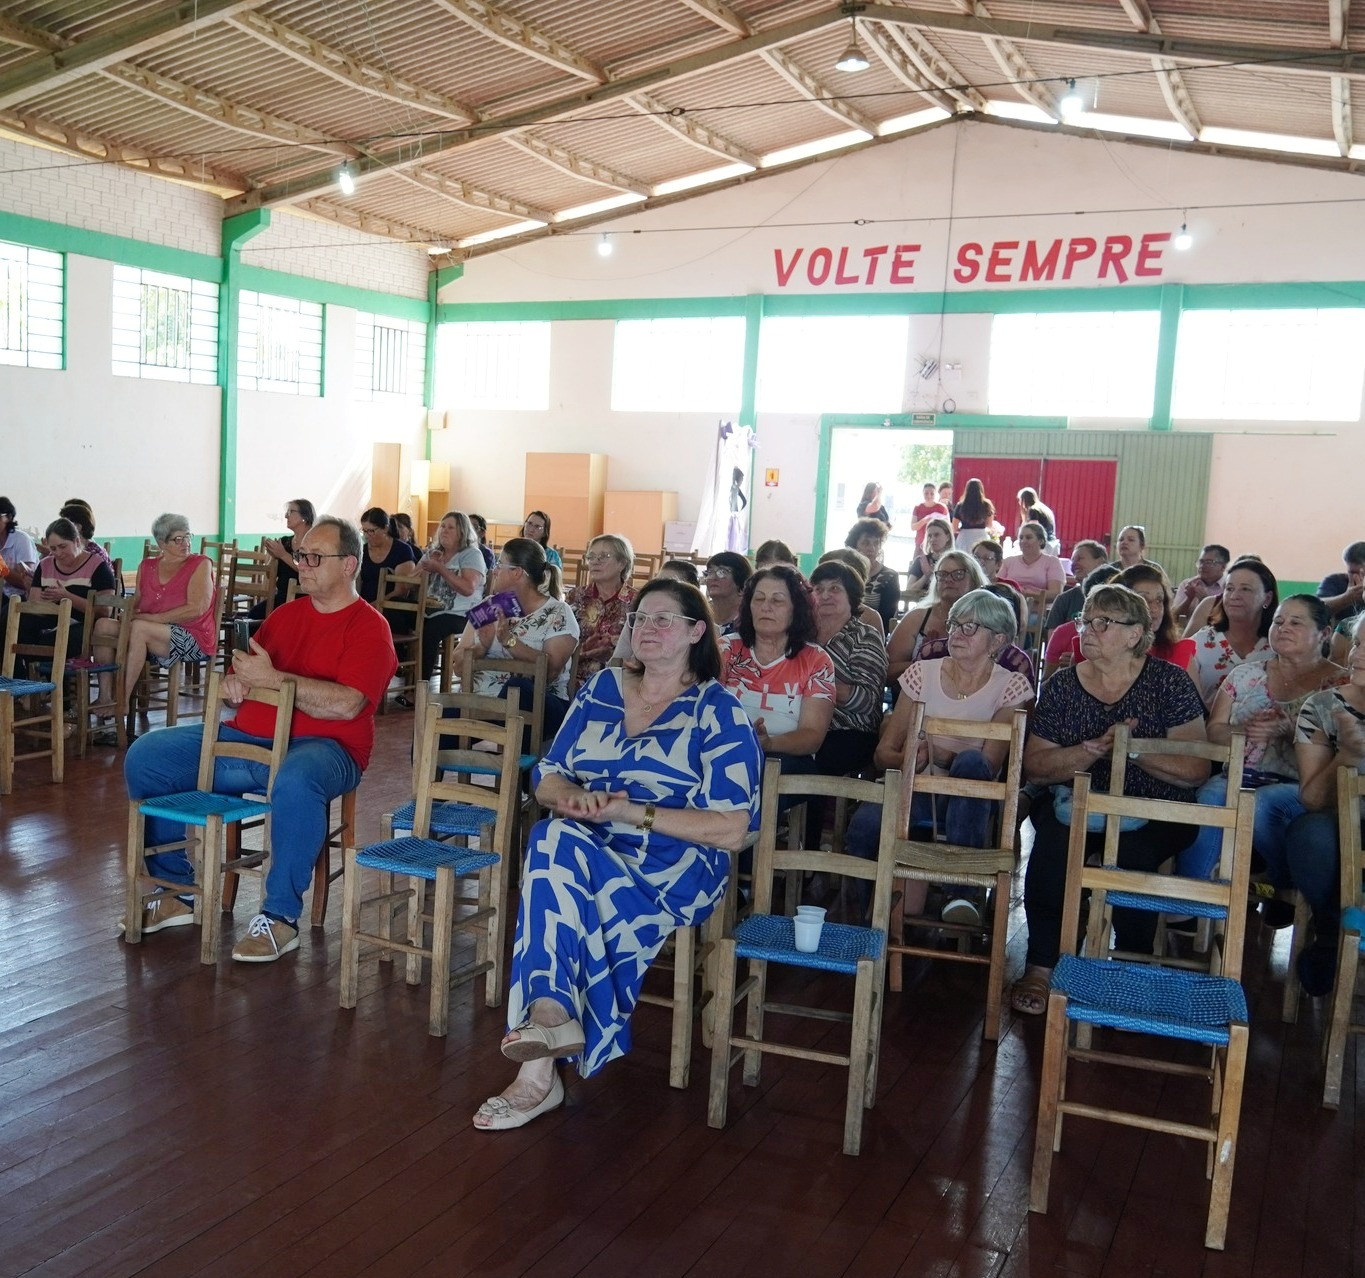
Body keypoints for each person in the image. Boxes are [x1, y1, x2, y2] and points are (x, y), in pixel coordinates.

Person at [472, 579, 761, 1130]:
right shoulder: (604, 687)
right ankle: (549, 1029)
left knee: (556, 862)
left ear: (696, 631)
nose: (645, 629)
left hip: (675, 862)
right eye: (638, 619)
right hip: (590, 844)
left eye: (662, 620)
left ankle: (540, 1063)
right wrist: (575, 800)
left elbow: (731, 829)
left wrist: (633, 814)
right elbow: (548, 778)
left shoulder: (718, 710)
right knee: (556, 840)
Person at [122, 516, 397, 961]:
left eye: (313, 557)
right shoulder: (285, 616)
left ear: (348, 565)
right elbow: (244, 675)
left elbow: (347, 704)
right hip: (246, 739)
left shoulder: (369, 628)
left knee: (295, 778)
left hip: (325, 749)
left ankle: (279, 917)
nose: (301, 563)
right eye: (300, 553)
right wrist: (236, 684)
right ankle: (176, 891)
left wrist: (275, 679)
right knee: (147, 756)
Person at [1013, 584, 1210, 1015]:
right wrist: (1087, 752)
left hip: (1155, 810)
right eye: (1087, 620)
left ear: (1135, 634)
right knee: (1053, 847)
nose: (1089, 629)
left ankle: (1130, 966)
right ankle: (1042, 966)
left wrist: (1132, 749)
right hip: (1076, 803)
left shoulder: (1169, 682)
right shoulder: (1064, 684)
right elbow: (1036, 766)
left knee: (1131, 856)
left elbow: (1196, 768)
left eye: (1104, 622)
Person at [847, 590, 1033, 924]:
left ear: (998, 639)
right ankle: (867, 917)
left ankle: (960, 893)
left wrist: (941, 754)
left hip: (969, 800)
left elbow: (989, 765)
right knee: (865, 825)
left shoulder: (1011, 686)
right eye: (955, 624)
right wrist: (908, 758)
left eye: (970, 627)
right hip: (915, 790)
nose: (957, 634)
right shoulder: (923, 674)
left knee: (971, 763)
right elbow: (883, 754)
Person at [1181, 595, 1344, 899]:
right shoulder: (1246, 675)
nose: (1283, 628)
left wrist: (1290, 729)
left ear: (1323, 633)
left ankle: (1285, 881)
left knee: (1262, 803)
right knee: (1210, 795)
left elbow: (1346, 746)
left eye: (1296, 622)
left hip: (1305, 785)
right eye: (1279, 621)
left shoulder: (1340, 683)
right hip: (1243, 775)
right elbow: (1214, 729)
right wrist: (1242, 731)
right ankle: (1190, 900)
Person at [1284, 611, 1365, 996]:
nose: (1358, 655)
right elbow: (1313, 799)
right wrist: (1346, 757)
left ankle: (1342, 933)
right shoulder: (1320, 707)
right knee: (1309, 834)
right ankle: (1334, 928)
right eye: (1359, 644)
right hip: (1341, 825)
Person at [97, 513, 216, 729]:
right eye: (178, 539)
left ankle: (121, 701)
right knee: (104, 625)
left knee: (140, 628)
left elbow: (197, 608)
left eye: (188, 537)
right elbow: (140, 601)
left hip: (191, 635)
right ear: (161, 542)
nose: (186, 543)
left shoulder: (200, 563)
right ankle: (105, 695)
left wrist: (152, 619)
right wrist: (128, 612)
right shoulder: (147, 565)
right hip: (152, 632)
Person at [456, 536, 579, 738]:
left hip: (542, 704)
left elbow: (551, 671)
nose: (494, 570)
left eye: (499, 564)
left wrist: (509, 641)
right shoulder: (488, 607)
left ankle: (512, 766)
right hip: (483, 703)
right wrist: (481, 648)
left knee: (518, 689)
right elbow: (458, 668)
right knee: (436, 716)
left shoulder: (558, 613)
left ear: (517, 572)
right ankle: (427, 769)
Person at [721, 564, 835, 771]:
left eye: (777, 600)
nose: (766, 607)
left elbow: (812, 736)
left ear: (796, 609)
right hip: (723, 748)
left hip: (784, 757)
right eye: (759, 599)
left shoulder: (816, 660)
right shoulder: (726, 648)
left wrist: (769, 743)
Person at [809, 561, 886, 778]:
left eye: (834, 589)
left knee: (819, 754)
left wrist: (815, 686)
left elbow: (867, 702)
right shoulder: (801, 636)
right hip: (803, 724)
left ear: (851, 596)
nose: (825, 596)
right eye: (818, 589)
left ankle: (823, 810)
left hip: (850, 730)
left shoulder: (865, 636)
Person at [1183, 556, 1277, 707]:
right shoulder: (1200, 644)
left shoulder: (1278, 646)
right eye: (1229, 588)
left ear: (1267, 598)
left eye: (1245, 589)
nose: (1234, 596)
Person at [888, 550, 988, 684]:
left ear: (974, 580)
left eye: (958, 574)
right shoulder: (917, 617)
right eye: (942, 574)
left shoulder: (988, 620)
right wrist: (922, 662)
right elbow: (887, 672)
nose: (948, 579)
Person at [26, 517, 116, 656]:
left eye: (63, 547)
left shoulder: (97, 566)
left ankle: (50, 674)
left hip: (84, 625)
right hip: (50, 622)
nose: (58, 553)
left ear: (77, 541)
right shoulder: (45, 565)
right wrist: (46, 601)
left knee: (52, 641)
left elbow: (104, 611)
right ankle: (16, 674)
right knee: (14, 623)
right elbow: (34, 604)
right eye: (53, 549)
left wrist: (67, 596)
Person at [416, 510, 486, 682]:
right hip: (429, 610)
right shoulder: (434, 552)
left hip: (462, 614)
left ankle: (421, 686)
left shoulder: (471, 554)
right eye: (442, 526)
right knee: (392, 616)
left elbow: (468, 588)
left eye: (450, 528)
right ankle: (400, 673)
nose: (444, 531)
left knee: (432, 628)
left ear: (462, 532)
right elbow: (408, 583)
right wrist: (424, 567)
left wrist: (440, 569)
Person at [567, 533, 637, 691]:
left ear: (622, 563)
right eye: (591, 556)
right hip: (574, 680)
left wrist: (612, 650)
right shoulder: (576, 597)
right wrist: (583, 650)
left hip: (620, 683)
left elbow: (641, 647)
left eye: (604, 556)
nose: (595, 561)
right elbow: (560, 640)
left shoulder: (637, 601)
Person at [357, 506, 418, 629]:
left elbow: (401, 591)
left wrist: (373, 606)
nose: (367, 535)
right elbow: (357, 582)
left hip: (392, 607)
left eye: (372, 531)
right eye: (364, 531)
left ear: (385, 528)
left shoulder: (402, 550)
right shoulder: (362, 551)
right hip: (366, 604)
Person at [258, 498, 314, 615]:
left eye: (290, 512)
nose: (285, 516)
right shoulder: (284, 542)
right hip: (281, 597)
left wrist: (283, 554)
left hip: (305, 598)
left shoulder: (314, 543)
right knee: (252, 617)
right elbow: (270, 575)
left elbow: (306, 568)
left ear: (305, 516)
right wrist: (273, 556)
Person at [845, 517, 901, 632]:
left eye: (876, 543)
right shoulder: (845, 573)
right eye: (866, 543)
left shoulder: (889, 577)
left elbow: (886, 618)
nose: (872, 548)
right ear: (854, 545)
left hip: (872, 634)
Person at [1001, 520, 1066, 618]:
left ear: (1041, 541)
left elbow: (1056, 593)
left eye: (1028, 537)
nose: (1023, 541)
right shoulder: (1008, 561)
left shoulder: (1052, 562)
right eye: (1021, 538)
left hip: (1037, 613)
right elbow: (998, 587)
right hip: (1007, 609)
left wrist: (1027, 594)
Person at [1045, 540, 1110, 630]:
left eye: (1080, 559)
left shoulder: (1113, 597)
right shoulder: (1064, 600)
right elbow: (1053, 639)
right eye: (1073, 560)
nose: (1074, 564)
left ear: (1100, 562)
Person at [1172, 543, 1230, 624]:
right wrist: (1189, 599)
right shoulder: (1187, 585)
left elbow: (1228, 620)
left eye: (1209, 562)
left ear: (1223, 567)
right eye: (1201, 562)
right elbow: (1173, 618)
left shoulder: (1229, 587)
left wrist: (1206, 601)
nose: (1202, 566)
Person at [0, 496, 39, 606]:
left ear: (8, 517)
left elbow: (25, 582)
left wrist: (2, 567)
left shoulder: (21, 540)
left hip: (22, 598)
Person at [703, 551, 751, 636]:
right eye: (710, 572)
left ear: (742, 585)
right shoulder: (699, 613)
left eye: (722, 572)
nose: (713, 577)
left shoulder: (750, 619)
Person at [905, 517, 953, 603]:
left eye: (937, 535)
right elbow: (909, 590)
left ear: (948, 537)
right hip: (922, 606)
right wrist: (926, 576)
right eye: (930, 536)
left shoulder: (954, 562)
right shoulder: (921, 561)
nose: (932, 539)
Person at [1317, 541, 1365, 622]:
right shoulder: (1334, 581)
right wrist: (1347, 597)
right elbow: (1314, 608)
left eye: (1363, 573)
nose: (1359, 577)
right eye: (1352, 572)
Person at [951, 478, 997, 552]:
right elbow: (989, 525)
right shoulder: (987, 505)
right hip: (981, 536)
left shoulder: (960, 505)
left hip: (965, 536)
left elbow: (954, 527)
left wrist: (961, 530)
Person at [911, 481, 949, 552]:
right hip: (920, 543)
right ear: (923, 493)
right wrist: (925, 520)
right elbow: (913, 527)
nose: (929, 496)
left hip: (938, 544)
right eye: (926, 493)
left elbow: (948, 526)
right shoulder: (917, 508)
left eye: (932, 494)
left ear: (936, 494)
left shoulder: (942, 508)